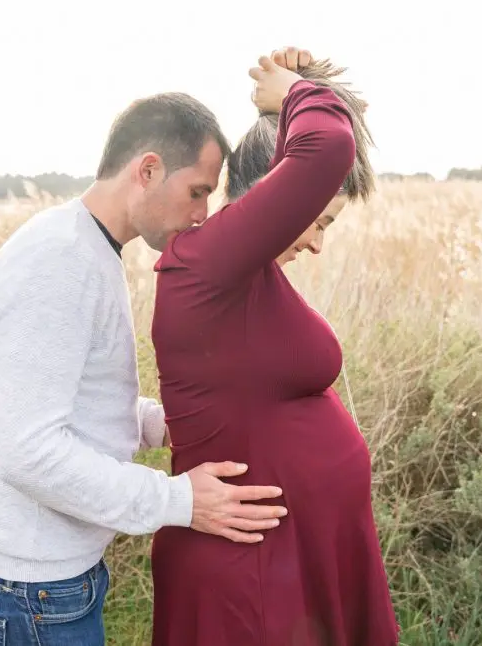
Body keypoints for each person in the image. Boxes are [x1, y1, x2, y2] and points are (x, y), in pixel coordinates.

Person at [0, 90, 288, 644]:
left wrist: (165, 422)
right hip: (29, 591)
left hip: (44, 582)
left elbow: (75, 400)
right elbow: (27, 450)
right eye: (197, 191)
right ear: (148, 170)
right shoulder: (57, 262)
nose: (204, 213)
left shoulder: (86, 249)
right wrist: (179, 500)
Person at [149, 49, 400, 645]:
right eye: (317, 219)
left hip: (297, 562)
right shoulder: (206, 265)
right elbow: (326, 148)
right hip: (253, 577)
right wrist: (291, 93)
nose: (315, 243)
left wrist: (306, 84)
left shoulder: (247, 277)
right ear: (271, 192)